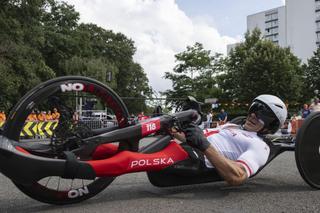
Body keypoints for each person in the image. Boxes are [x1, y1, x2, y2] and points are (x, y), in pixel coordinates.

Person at [176, 94, 287, 186]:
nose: (253, 115)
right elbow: (193, 137)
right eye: (254, 109)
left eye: (261, 115)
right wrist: (172, 129)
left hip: (196, 156)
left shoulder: (260, 146)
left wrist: (204, 146)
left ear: (271, 125)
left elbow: (238, 176)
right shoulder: (232, 126)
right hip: (188, 147)